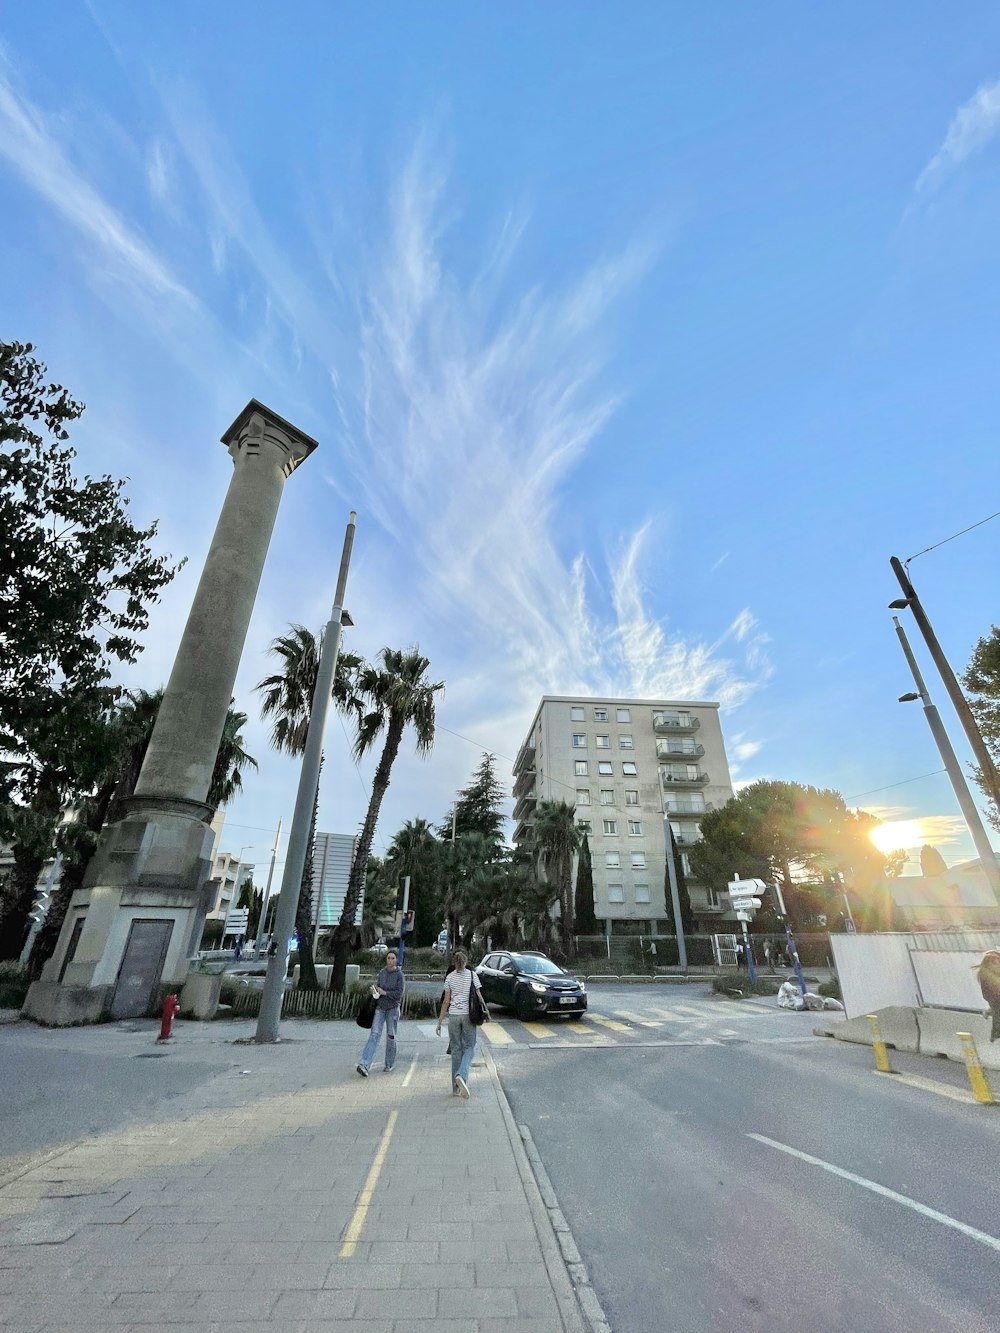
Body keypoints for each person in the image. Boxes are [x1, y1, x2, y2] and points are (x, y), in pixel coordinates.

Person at [435, 949, 483, 1099]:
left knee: (456, 1050)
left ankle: (455, 1088)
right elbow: (479, 996)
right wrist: (486, 1012)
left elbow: (446, 1001)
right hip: (468, 1015)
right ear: (466, 962)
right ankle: (461, 1075)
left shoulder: (449, 977)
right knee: (469, 1047)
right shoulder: (472, 975)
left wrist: (440, 1021)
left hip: (454, 1016)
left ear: (454, 962)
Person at [356, 949, 404, 1077]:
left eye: (393, 958)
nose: (390, 961)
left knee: (390, 1036)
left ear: (396, 960)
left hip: (392, 1008)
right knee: (374, 1034)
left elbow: (399, 993)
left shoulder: (399, 975)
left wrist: (386, 993)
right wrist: (376, 992)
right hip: (380, 1007)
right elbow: (378, 986)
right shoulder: (382, 973)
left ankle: (389, 1063)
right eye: (388, 958)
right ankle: (364, 1064)